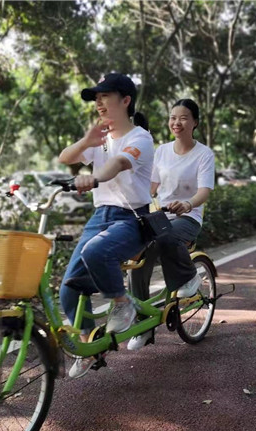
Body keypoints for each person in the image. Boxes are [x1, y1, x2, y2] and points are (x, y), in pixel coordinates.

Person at [57, 73, 154, 378]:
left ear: (125, 101)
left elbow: (119, 164)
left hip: (131, 218)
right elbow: (65, 158)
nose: (98, 103)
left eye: (104, 96)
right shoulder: (100, 139)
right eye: (95, 98)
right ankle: (89, 344)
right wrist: (87, 141)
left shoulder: (140, 137)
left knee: (97, 251)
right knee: (68, 290)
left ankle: (123, 303)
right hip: (99, 218)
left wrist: (94, 177)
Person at [127, 99, 215, 350]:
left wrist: (188, 205)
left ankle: (188, 278)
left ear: (195, 122)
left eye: (184, 117)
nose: (177, 122)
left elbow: (204, 191)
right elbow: (152, 187)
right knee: (136, 255)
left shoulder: (204, 154)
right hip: (160, 216)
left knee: (166, 237)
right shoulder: (162, 151)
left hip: (187, 218)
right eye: (173, 117)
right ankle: (143, 323)